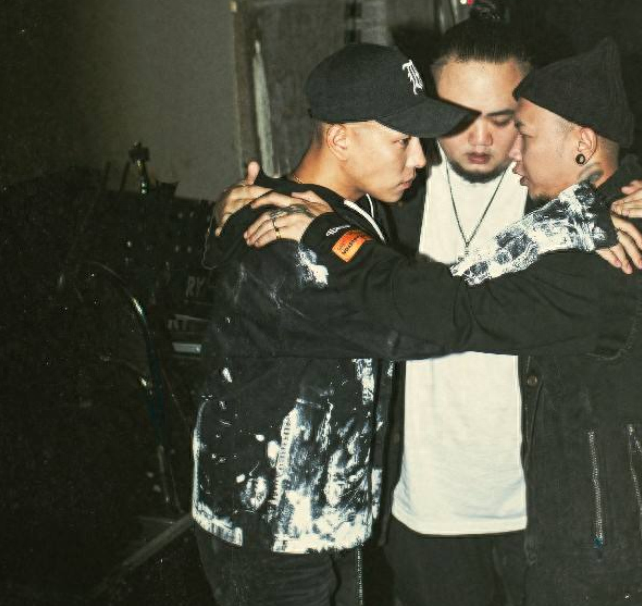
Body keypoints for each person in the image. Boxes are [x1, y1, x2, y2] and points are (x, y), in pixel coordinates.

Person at [215, 0, 642, 606]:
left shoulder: (558, 189)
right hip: (423, 508)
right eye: (456, 118)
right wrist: (231, 212)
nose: (481, 139)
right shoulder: (399, 188)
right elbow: (331, 243)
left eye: (506, 121)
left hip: (542, 508)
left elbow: (631, 193)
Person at [191, 42, 468, 606]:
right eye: (402, 141)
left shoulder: (346, 209)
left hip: (315, 513)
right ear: (340, 138)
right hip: (270, 532)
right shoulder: (291, 243)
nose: (420, 159)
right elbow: (430, 324)